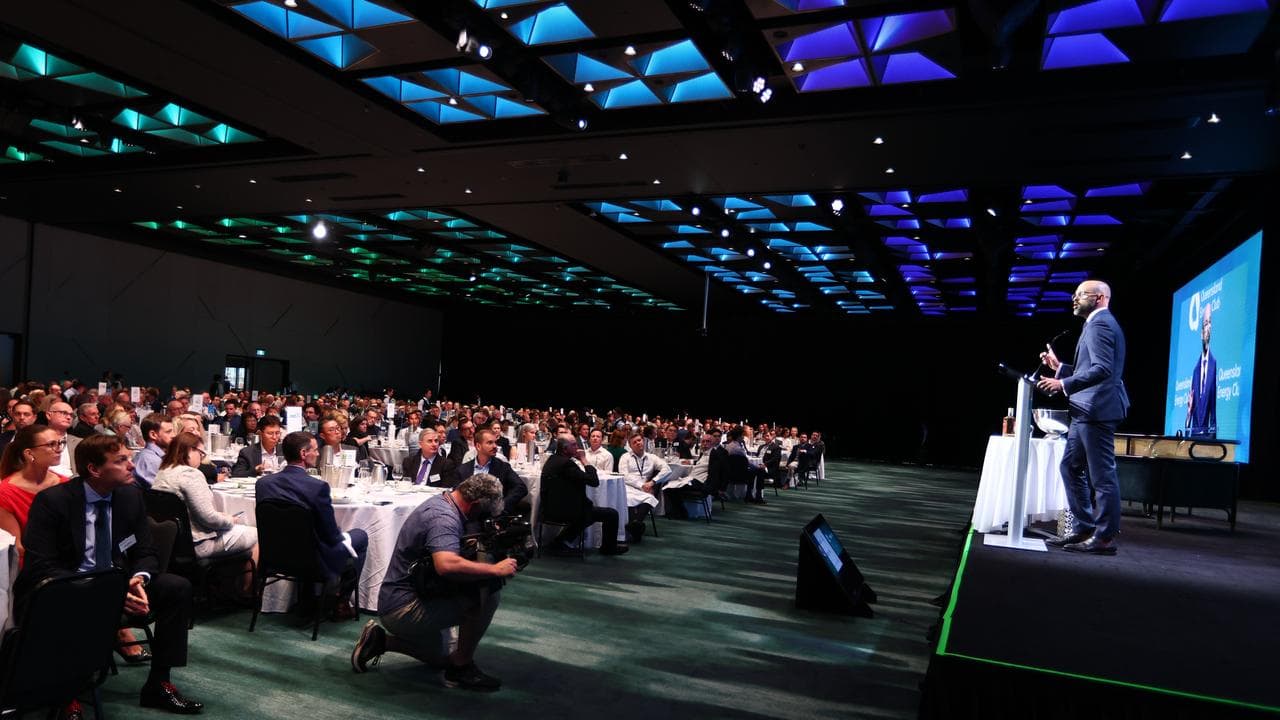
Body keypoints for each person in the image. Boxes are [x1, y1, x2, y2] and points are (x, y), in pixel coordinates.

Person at [16, 434, 203, 713]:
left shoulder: (130, 496)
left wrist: (139, 578)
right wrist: (105, 588)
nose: (132, 465)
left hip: (119, 580)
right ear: (94, 469)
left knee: (177, 587)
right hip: (69, 585)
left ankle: (158, 684)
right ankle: (65, 694)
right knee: (61, 601)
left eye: (129, 458)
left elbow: (146, 551)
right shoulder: (54, 501)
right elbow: (41, 565)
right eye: (121, 460)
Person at [350, 474, 517, 691]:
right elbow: (446, 565)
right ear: (474, 505)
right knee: (488, 594)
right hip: (403, 606)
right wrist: (494, 570)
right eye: (484, 514)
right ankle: (461, 669)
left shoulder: (446, 501)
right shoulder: (443, 518)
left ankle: (380, 641)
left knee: (442, 658)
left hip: (412, 595)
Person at [1038, 280, 1129, 555]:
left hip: (1097, 411)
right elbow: (1091, 367)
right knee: (1070, 468)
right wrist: (1061, 368)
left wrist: (1063, 385)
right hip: (1085, 411)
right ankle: (1084, 527)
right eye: (1074, 294)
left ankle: (1103, 537)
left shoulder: (1101, 324)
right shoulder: (1095, 323)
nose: (1074, 299)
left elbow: (1102, 370)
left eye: (1080, 295)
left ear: (1100, 298)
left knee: (1102, 477)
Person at [256, 431, 368, 617]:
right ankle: (341, 601)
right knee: (360, 536)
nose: (317, 454)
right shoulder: (317, 487)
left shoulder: (263, 484)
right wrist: (343, 536)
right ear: (303, 454)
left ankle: (310, 597)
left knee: (308, 540)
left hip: (273, 557)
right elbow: (331, 536)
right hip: (313, 562)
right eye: (315, 450)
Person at [152, 432, 258, 595]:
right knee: (257, 533)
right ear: (189, 450)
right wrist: (229, 520)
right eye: (201, 454)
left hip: (174, 543)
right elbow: (208, 518)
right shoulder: (190, 474)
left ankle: (225, 587)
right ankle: (247, 592)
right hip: (198, 544)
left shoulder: (163, 472)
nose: (201, 459)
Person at [540, 440, 626, 556]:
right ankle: (608, 548)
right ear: (565, 449)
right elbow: (593, 481)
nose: (578, 447)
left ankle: (561, 541)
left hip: (549, 508)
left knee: (588, 510)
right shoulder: (567, 464)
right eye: (574, 445)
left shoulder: (552, 460)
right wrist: (584, 460)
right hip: (565, 511)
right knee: (610, 513)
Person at [455, 428, 527, 512]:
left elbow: (521, 488)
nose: (495, 446)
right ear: (478, 446)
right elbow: (456, 494)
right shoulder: (463, 469)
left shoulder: (502, 467)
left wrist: (502, 505)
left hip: (492, 515)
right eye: (490, 443)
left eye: (495, 442)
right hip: (468, 514)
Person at [1185, 304, 1217, 437]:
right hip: (1194, 437)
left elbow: (1213, 409)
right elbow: (1191, 411)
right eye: (1205, 323)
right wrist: (1188, 414)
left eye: (1210, 323)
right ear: (1201, 333)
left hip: (1208, 441)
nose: (1208, 327)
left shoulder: (1214, 364)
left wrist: (1213, 439)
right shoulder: (1195, 371)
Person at [134, 414, 175, 489]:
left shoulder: (155, 457)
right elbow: (162, 492)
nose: (174, 435)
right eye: (168, 432)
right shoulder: (151, 460)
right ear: (153, 435)